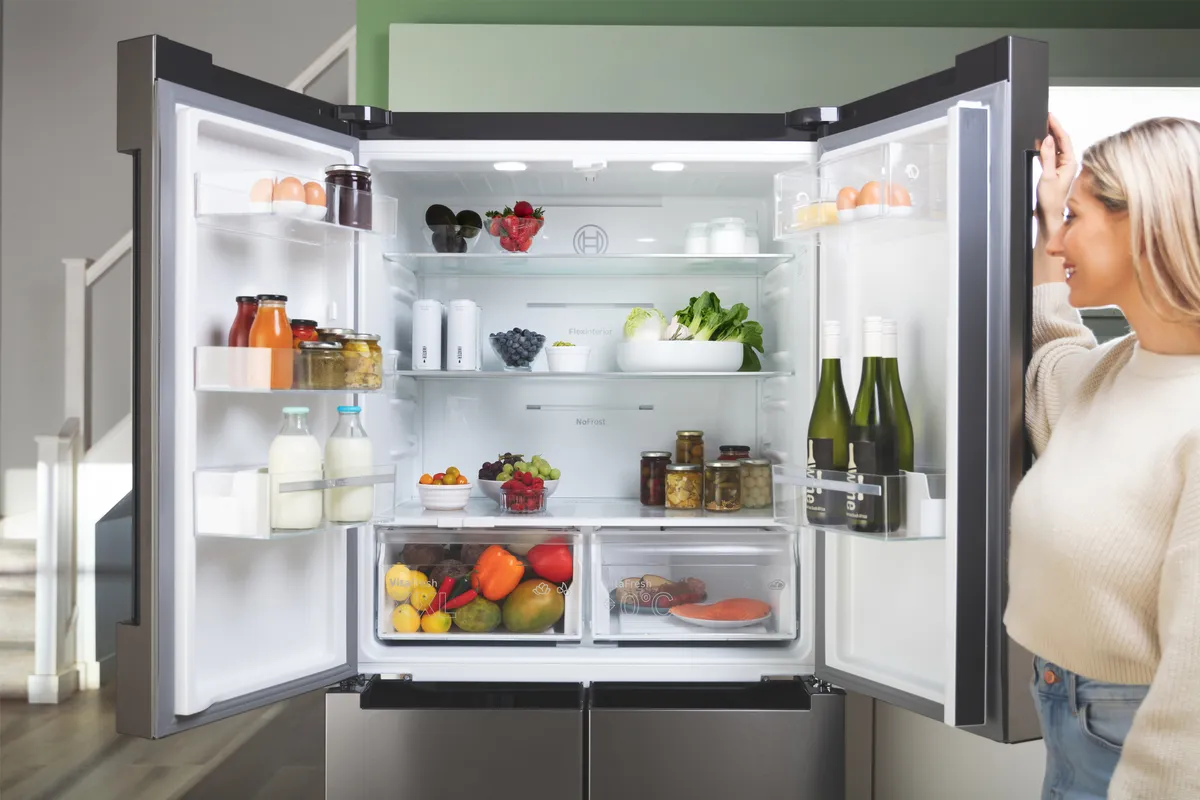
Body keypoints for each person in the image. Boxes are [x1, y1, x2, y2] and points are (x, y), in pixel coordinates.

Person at [1004, 113, 1200, 799]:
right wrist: (1047, 209)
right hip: (1068, 707)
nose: (1057, 243)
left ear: (1144, 224)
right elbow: (1054, 354)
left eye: (1075, 219)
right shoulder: (1118, 368)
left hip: (1142, 730)